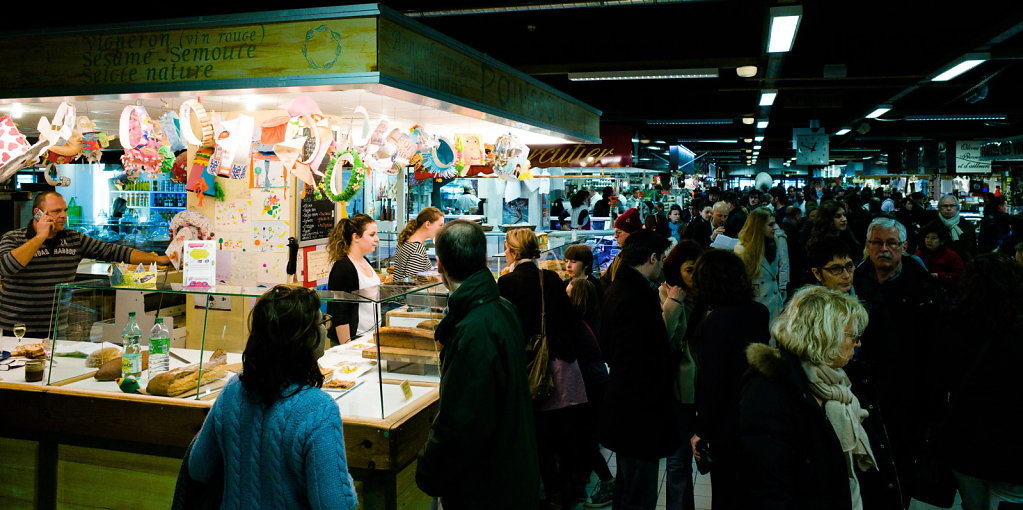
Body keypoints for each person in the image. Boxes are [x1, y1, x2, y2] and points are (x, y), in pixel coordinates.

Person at [183, 285, 358, 510]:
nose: (325, 329)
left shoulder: (233, 390)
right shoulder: (318, 410)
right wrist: (345, 479)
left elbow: (198, 467)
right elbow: (335, 504)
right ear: (303, 338)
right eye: (321, 322)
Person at [416, 220, 539, 509]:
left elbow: (462, 420)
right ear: (484, 259)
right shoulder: (500, 308)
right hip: (510, 472)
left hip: (486, 486)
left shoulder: (474, 328)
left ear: (440, 266)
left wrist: (428, 472)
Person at [740, 286, 874, 510]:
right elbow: (766, 483)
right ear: (825, 335)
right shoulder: (769, 387)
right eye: (852, 335)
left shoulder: (837, 381)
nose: (858, 343)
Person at [850, 217, 942, 508]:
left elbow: (936, 352)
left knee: (901, 462)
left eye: (891, 243)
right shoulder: (853, 282)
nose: (884, 249)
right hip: (863, 390)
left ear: (904, 247)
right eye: (877, 243)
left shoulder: (923, 287)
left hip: (908, 391)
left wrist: (932, 410)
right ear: (867, 246)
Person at [0, 191, 170, 338]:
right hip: (17, 329)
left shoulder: (74, 239)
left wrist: (159, 259)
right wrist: (39, 237)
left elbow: (114, 251)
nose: (63, 215)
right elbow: (7, 268)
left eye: (64, 210)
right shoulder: (13, 238)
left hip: (56, 329)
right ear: (38, 213)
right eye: (56, 211)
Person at [498, 228, 587, 508]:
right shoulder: (551, 278)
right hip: (562, 366)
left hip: (530, 370)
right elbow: (571, 321)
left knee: (540, 438)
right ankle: (569, 491)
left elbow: (505, 328)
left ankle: (550, 493)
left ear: (512, 252)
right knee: (566, 436)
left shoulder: (506, 283)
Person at [599, 230, 678, 510]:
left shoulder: (619, 289)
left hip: (626, 409)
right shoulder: (637, 297)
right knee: (638, 494)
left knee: (628, 487)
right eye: (663, 258)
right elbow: (640, 360)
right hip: (639, 414)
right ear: (652, 257)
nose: (664, 265)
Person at [688, 249, 770, 510]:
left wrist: (701, 430)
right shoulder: (759, 312)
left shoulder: (716, 321)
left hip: (726, 422)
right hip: (756, 412)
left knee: (725, 492)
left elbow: (714, 381)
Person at [944, 253, 1023, 510]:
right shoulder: (1017, 328)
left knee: (973, 503)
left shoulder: (952, 322)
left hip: (965, 440)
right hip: (1011, 443)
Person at [660, 240, 703, 510]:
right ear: (676, 271)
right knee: (678, 462)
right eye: (689, 270)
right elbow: (664, 342)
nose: (694, 276)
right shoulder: (666, 296)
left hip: (710, 387)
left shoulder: (712, 296)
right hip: (681, 389)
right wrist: (674, 304)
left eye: (699, 270)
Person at [566, 278, 615, 508]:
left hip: (588, 384)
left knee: (585, 437)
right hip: (601, 380)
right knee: (589, 434)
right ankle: (586, 477)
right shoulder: (595, 321)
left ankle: (607, 482)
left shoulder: (576, 328)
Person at [326, 214, 380, 345]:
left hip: (371, 335)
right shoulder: (343, 267)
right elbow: (339, 313)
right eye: (372, 235)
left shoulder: (365, 261)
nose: (377, 239)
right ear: (355, 237)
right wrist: (347, 346)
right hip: (355, 338)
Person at [734, 208, 790, 321]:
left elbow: (783, 266)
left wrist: (783, 288)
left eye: (775, 223)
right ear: (758, 226)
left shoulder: (776, 241)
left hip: (775, 302)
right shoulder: (742, 249)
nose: (775, 227)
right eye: (771, 224)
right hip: (755, 304)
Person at [914, 221, 964, 297]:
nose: (929, 241)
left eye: (933, 238)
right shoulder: (918, 255)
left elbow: (959, 275)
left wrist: (939, 276)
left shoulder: (951, 256)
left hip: (947, 293)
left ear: (942, 241)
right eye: (927, 237)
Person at [393, 207, 444, 281]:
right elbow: (413, 282)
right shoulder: (416, 248)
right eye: (440, 225)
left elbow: (416, 273)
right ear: (428, 224)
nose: (442, 229)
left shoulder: (406, 241)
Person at [599, 207, 643, 289]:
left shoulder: (640, 258)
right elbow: (605, 279)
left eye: (619, 232)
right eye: (615, 232)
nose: (615, 236)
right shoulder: (621, 254)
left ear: (632, 233)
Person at [936, 195, 976, 263]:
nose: (948, 208)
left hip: (963, 264)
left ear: (957, 208)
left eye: (952, 205)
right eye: (945, 206)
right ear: (939, 208)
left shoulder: (967, 226)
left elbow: (973, 249)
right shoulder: (932, 226)